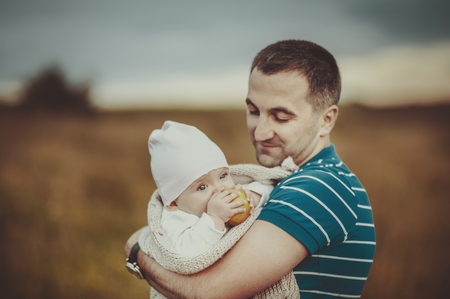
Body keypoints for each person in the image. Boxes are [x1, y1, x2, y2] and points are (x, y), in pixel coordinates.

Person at [124, 39, 376, 299]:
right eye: (254, 111)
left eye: (281, 117)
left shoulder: (320, 187)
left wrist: (137, 252)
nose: (261, 132)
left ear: (326, 120)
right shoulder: (292, 181)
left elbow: (204, 294)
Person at [148, 120, 273, 256]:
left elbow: (272, 188)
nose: (220, 188)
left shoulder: (234, 192)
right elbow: (184, 254)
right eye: (202, 187)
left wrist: (253, 196)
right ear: (173, 203)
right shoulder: (175, 220)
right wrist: (215, 219)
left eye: (223, 175)